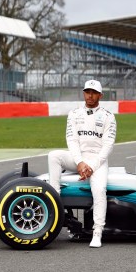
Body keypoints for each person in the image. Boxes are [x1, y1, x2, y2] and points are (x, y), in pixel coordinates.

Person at [47, 79, 117, 248]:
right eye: (87, 92)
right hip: (78, 157)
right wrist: (79, 163)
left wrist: (91, 167)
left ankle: (97, 232)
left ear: (100, 95)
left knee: (99, 189)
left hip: (98, 161)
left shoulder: (108, 116)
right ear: (83, 93)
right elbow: (71, 140)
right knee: (54, 156)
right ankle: (55, 204)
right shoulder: (74, 114)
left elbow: (108, 146)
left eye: (93, 92)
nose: (90, 96)